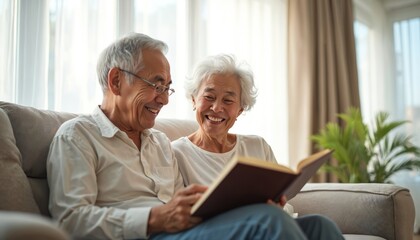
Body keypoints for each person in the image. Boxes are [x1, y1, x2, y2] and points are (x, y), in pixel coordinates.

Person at [46, 32, 330, 240]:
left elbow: (184, 204)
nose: (164, 100)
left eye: (167, 88)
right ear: (116, 81)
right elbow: (70, 219)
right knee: (267, 222)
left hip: (183, 232)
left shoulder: (158, 142)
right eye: (156, 85)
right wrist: (154, 218)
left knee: (319, 226)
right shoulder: (77, 136)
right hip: (146, 235)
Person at [171, 53, 344, 239]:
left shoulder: (257, 146)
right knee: (270, 220)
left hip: (265, 225)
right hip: (223, 232)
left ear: (240, 109)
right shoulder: (176, 152)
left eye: (228, 100)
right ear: (193, 100)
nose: (216, 107)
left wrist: (278, 205)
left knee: (321, 224)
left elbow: (281, 203)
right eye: (209, 96)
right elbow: (176, 215)